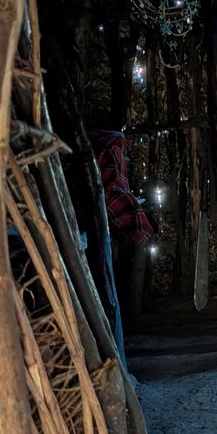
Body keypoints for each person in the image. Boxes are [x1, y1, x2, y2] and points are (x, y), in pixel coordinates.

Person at [90, 129, 156, 317]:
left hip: (102, 228)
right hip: (96, 229)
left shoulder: (110, 168)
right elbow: (114, 199)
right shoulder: (107, 165)